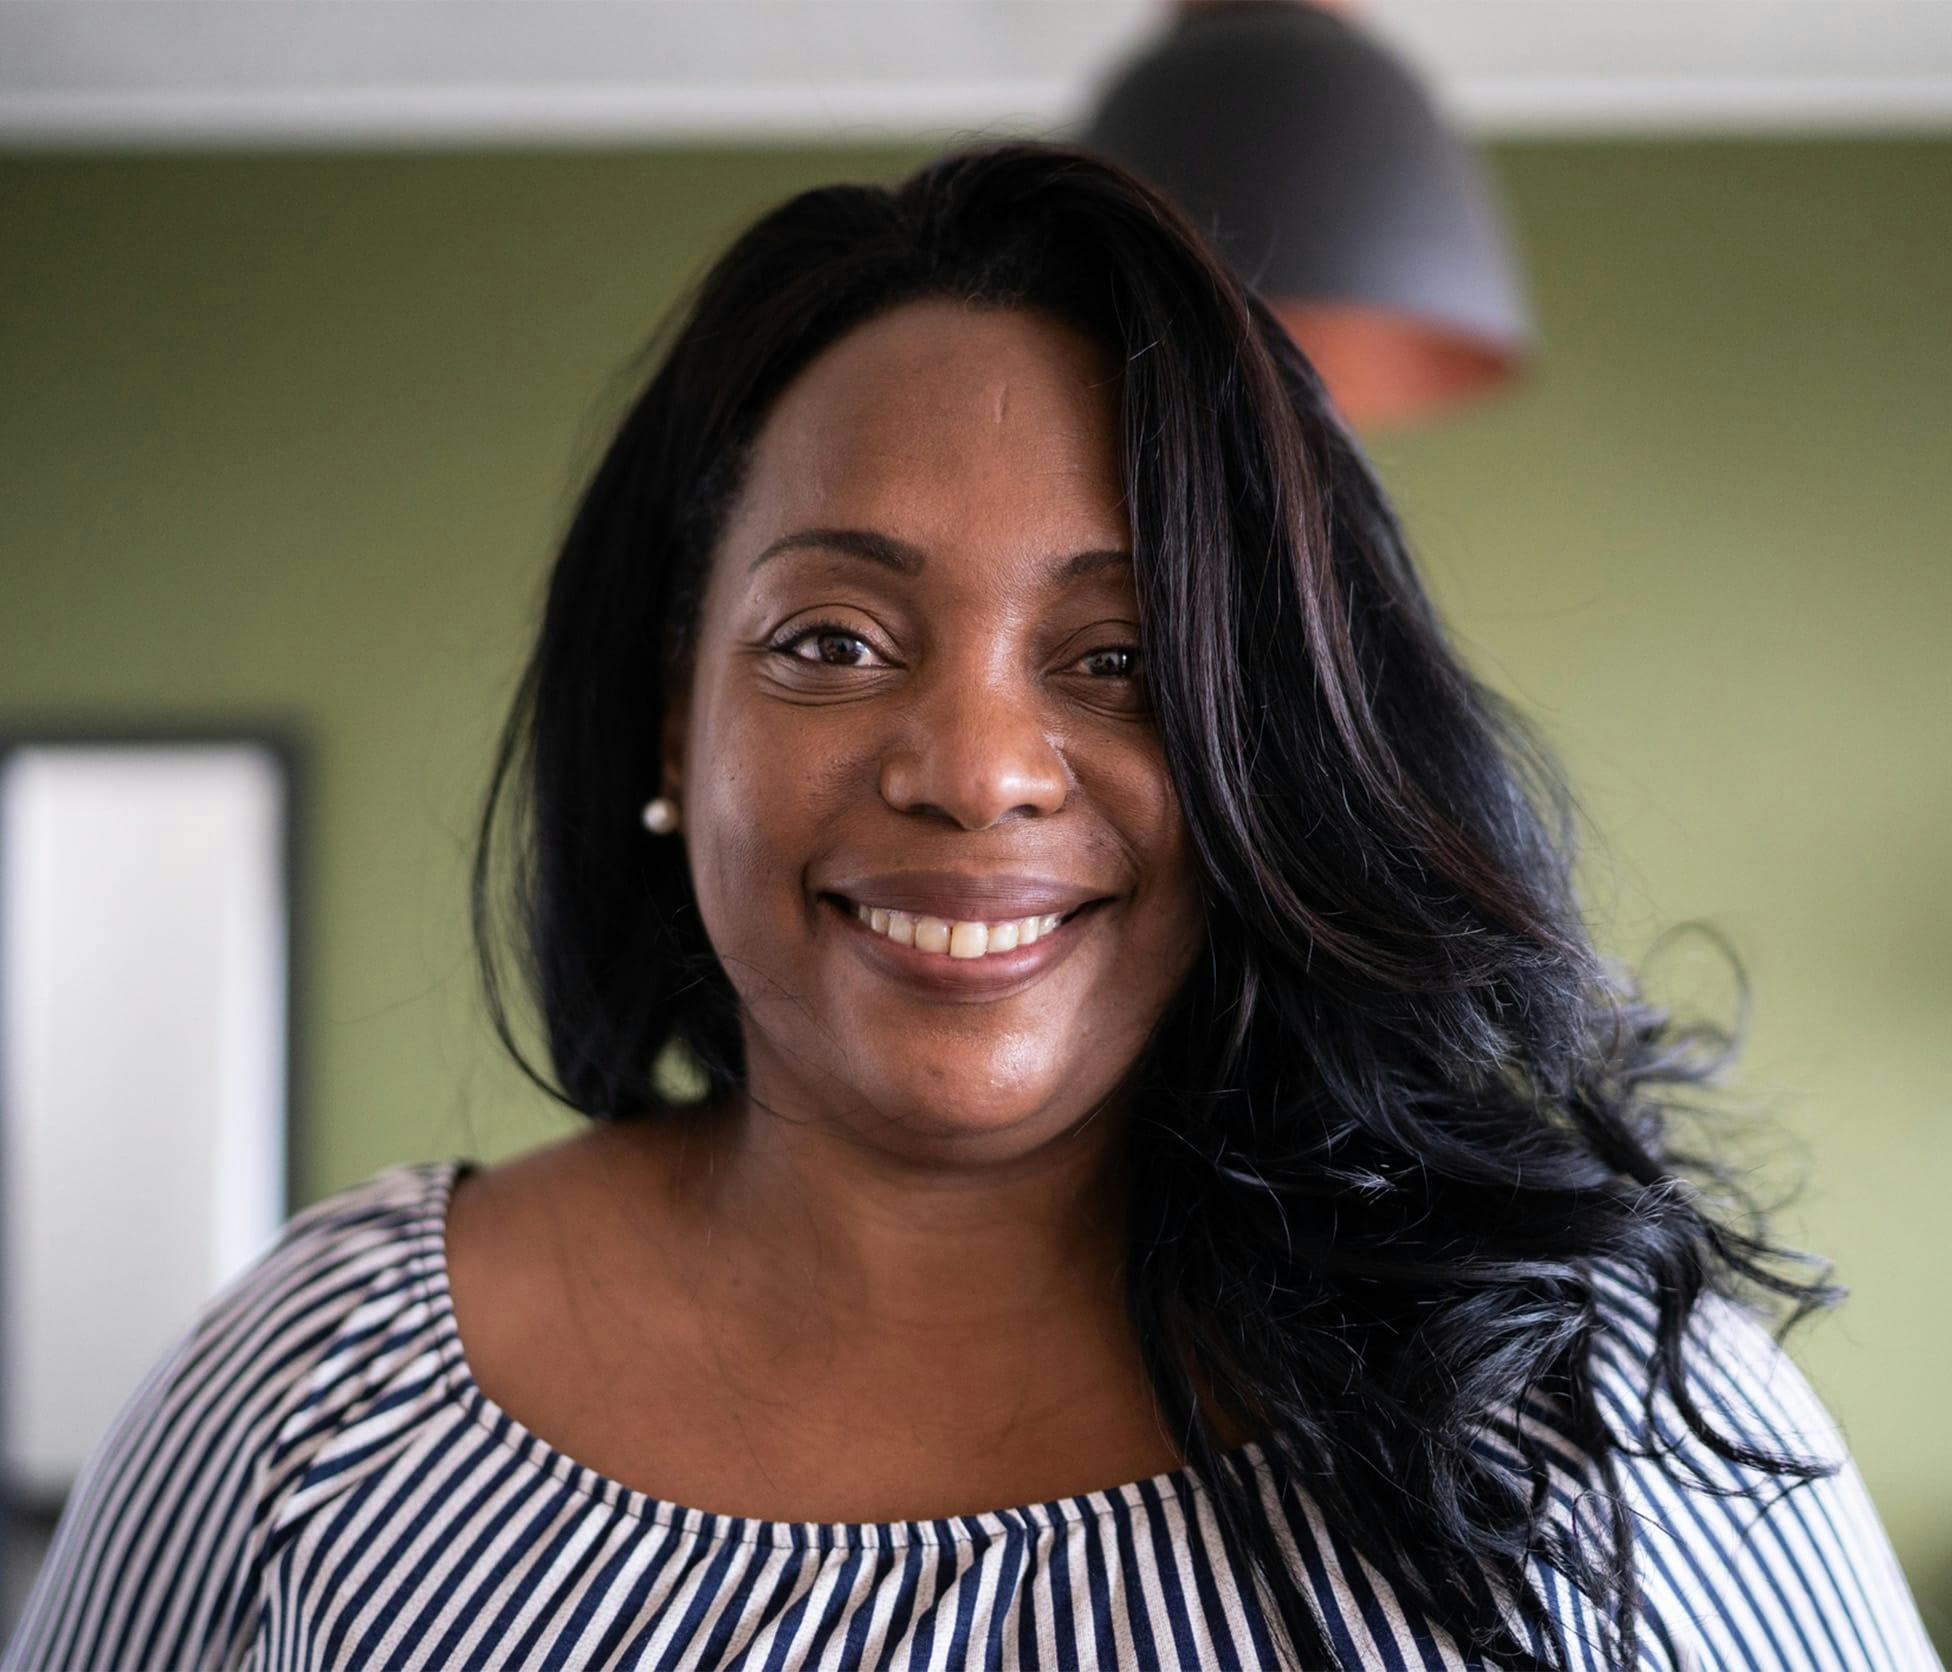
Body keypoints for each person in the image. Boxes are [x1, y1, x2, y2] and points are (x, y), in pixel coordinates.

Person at [4, 142, 1939, 1672]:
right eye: (834, 640)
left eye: (1120, 659)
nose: (975, 766)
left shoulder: (1588, 1400)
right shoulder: (306, 1398)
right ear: (677, 709)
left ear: (1274, 749)